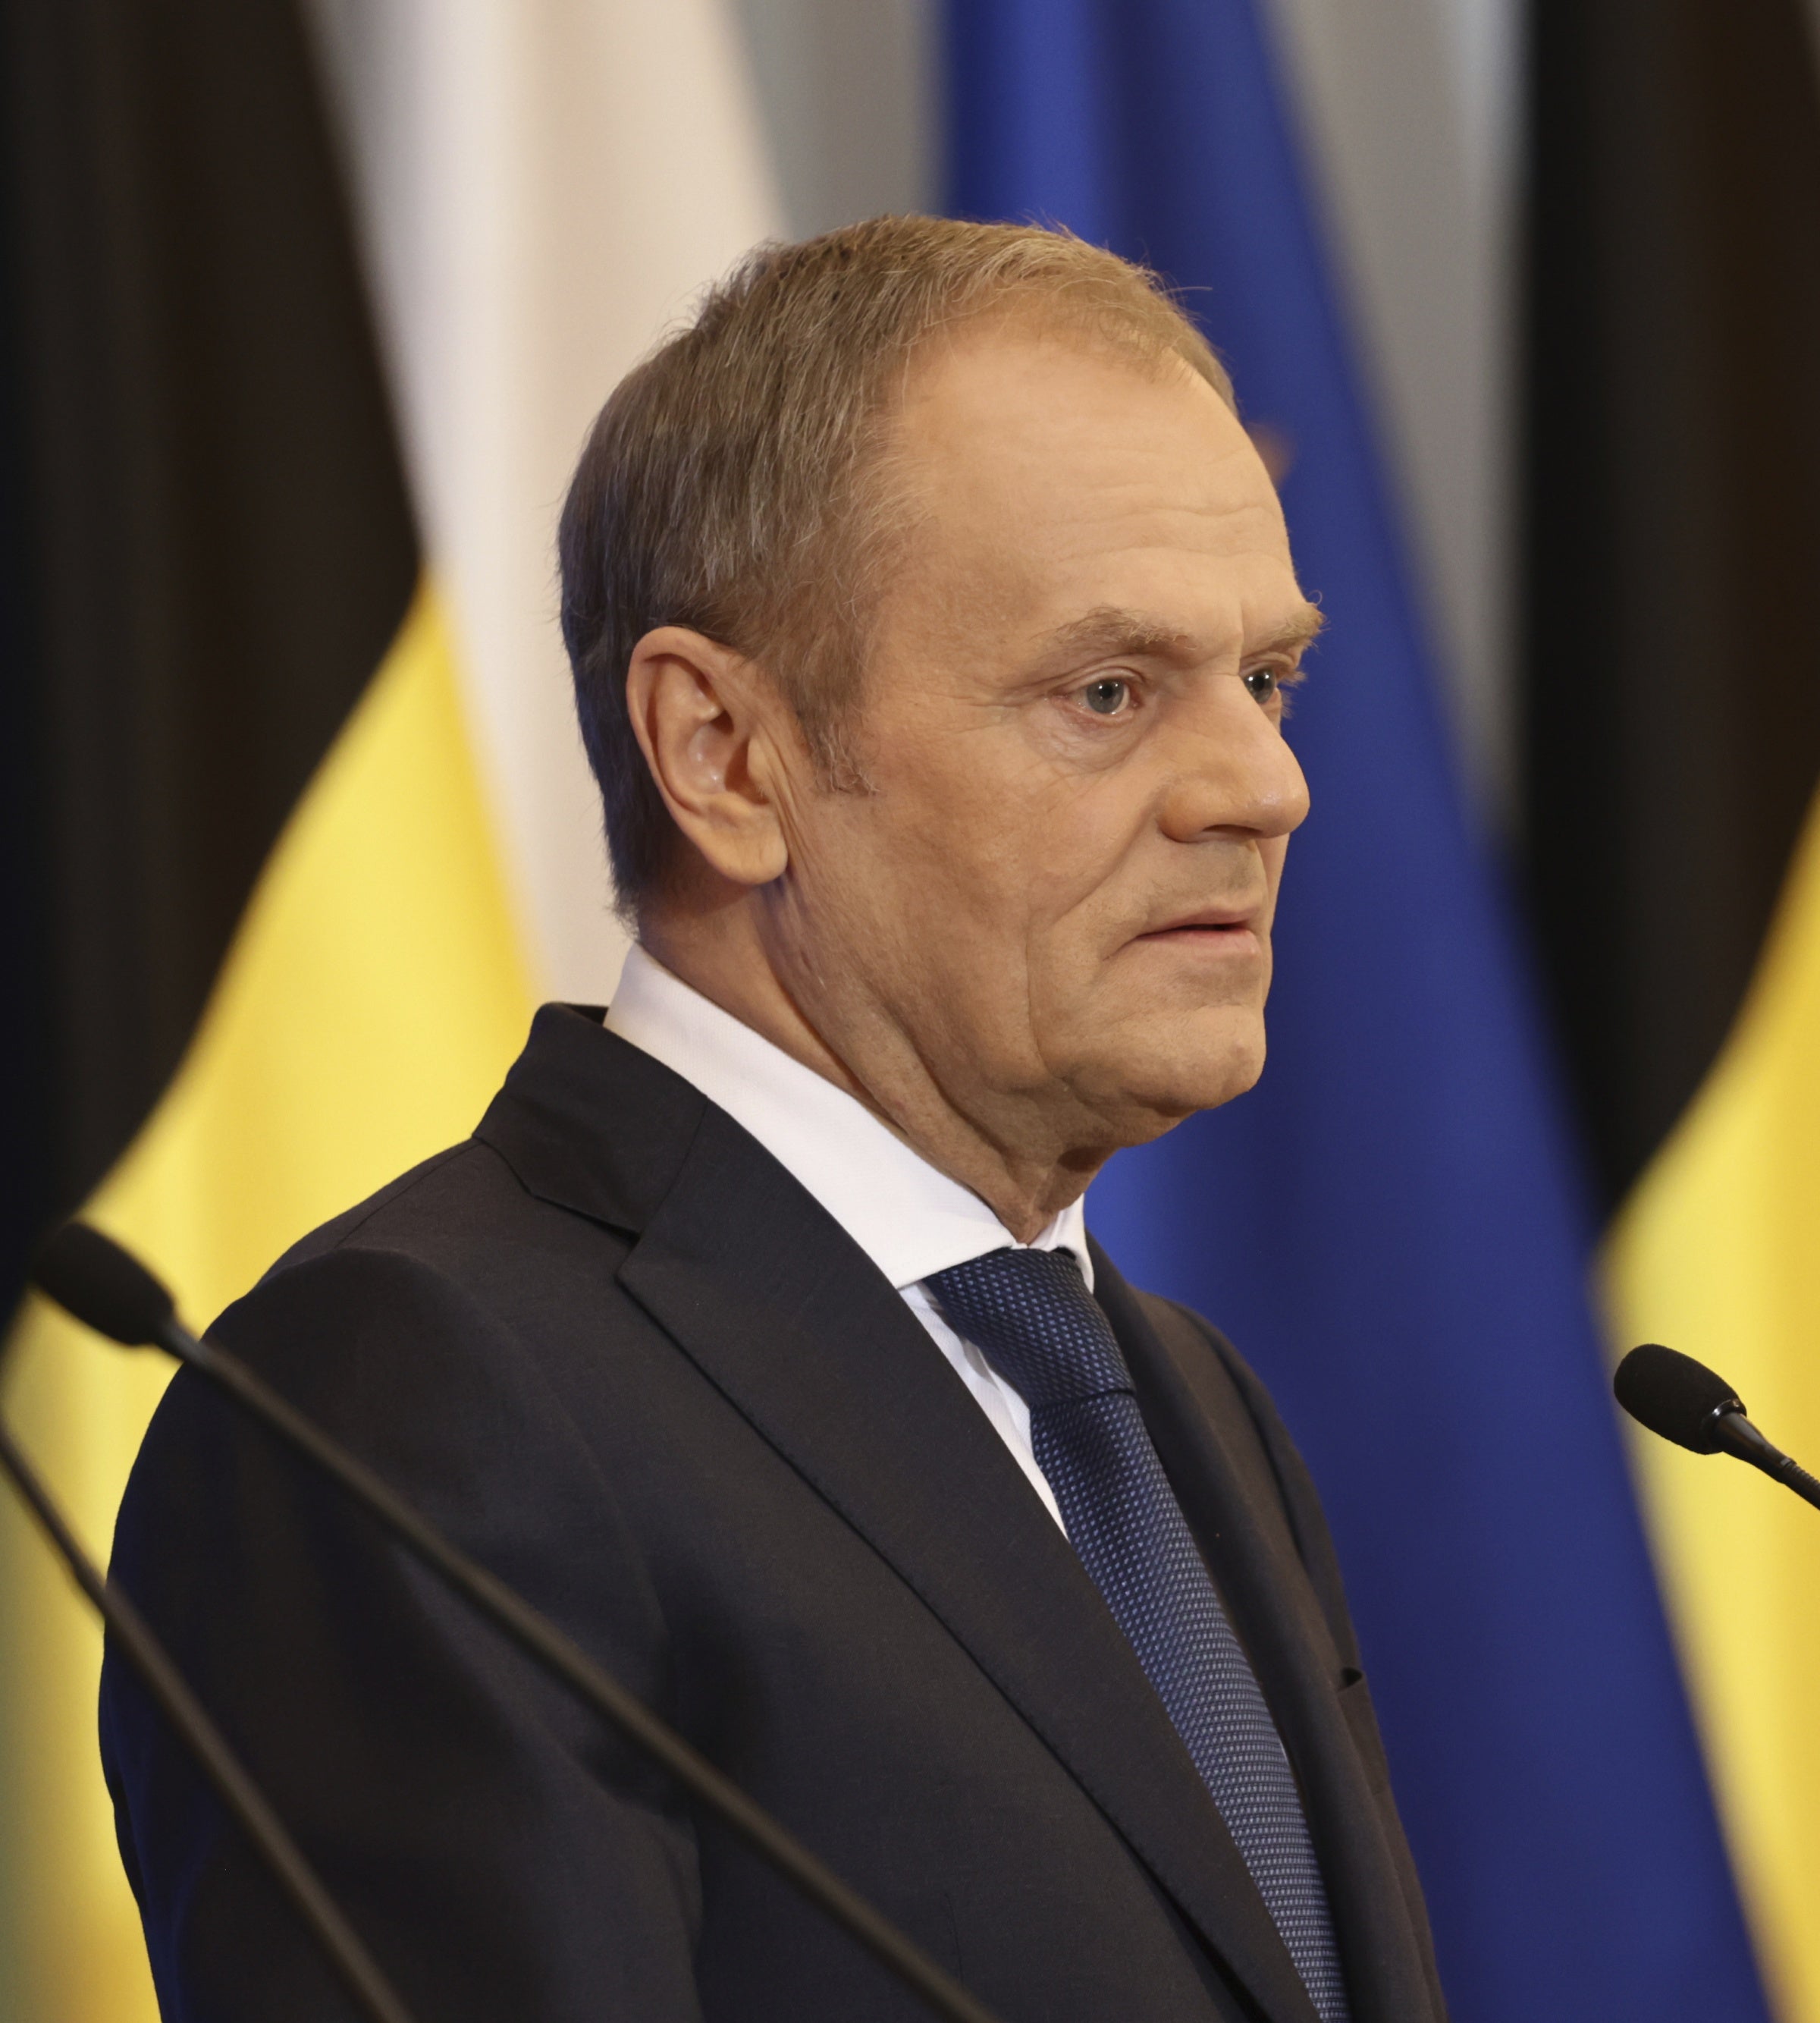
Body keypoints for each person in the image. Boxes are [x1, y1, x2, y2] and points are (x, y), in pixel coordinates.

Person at [101, 217, 1446, 2023]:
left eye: (1267, 679)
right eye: (1106, 691)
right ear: (725, 757)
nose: (1263, 785)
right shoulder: (409, 1405)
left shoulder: (1183, 1405)